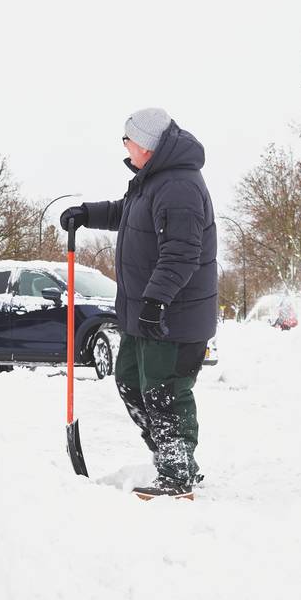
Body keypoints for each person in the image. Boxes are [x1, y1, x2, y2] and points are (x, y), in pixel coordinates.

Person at [60, 108, 218, 499]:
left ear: (146, 144)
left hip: (171, 316)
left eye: (128, 139)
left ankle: (178, 474)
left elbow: (181, 253)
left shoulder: (178, 187)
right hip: (144, 313)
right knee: (130, 381)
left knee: (164, 391)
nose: (125, 145)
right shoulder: (152, 181)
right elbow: (127, 214)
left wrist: (156, 302)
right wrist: (87, 213)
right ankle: (170, 456)